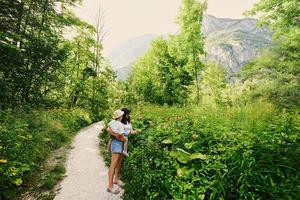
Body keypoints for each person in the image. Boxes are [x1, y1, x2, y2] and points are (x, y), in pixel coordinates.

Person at [106, 108, 141, 194]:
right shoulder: (117, 122)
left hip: (123, 143)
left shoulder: (127, 122)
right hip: (117, 143)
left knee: (119, 163)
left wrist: (136, 131)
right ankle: (110, 186)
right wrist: (117, 135)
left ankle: (116, 179)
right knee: (113, 165)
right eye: (127, 114)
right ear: (122, 115)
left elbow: (130, 132)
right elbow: (108, 129)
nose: (129, 115)